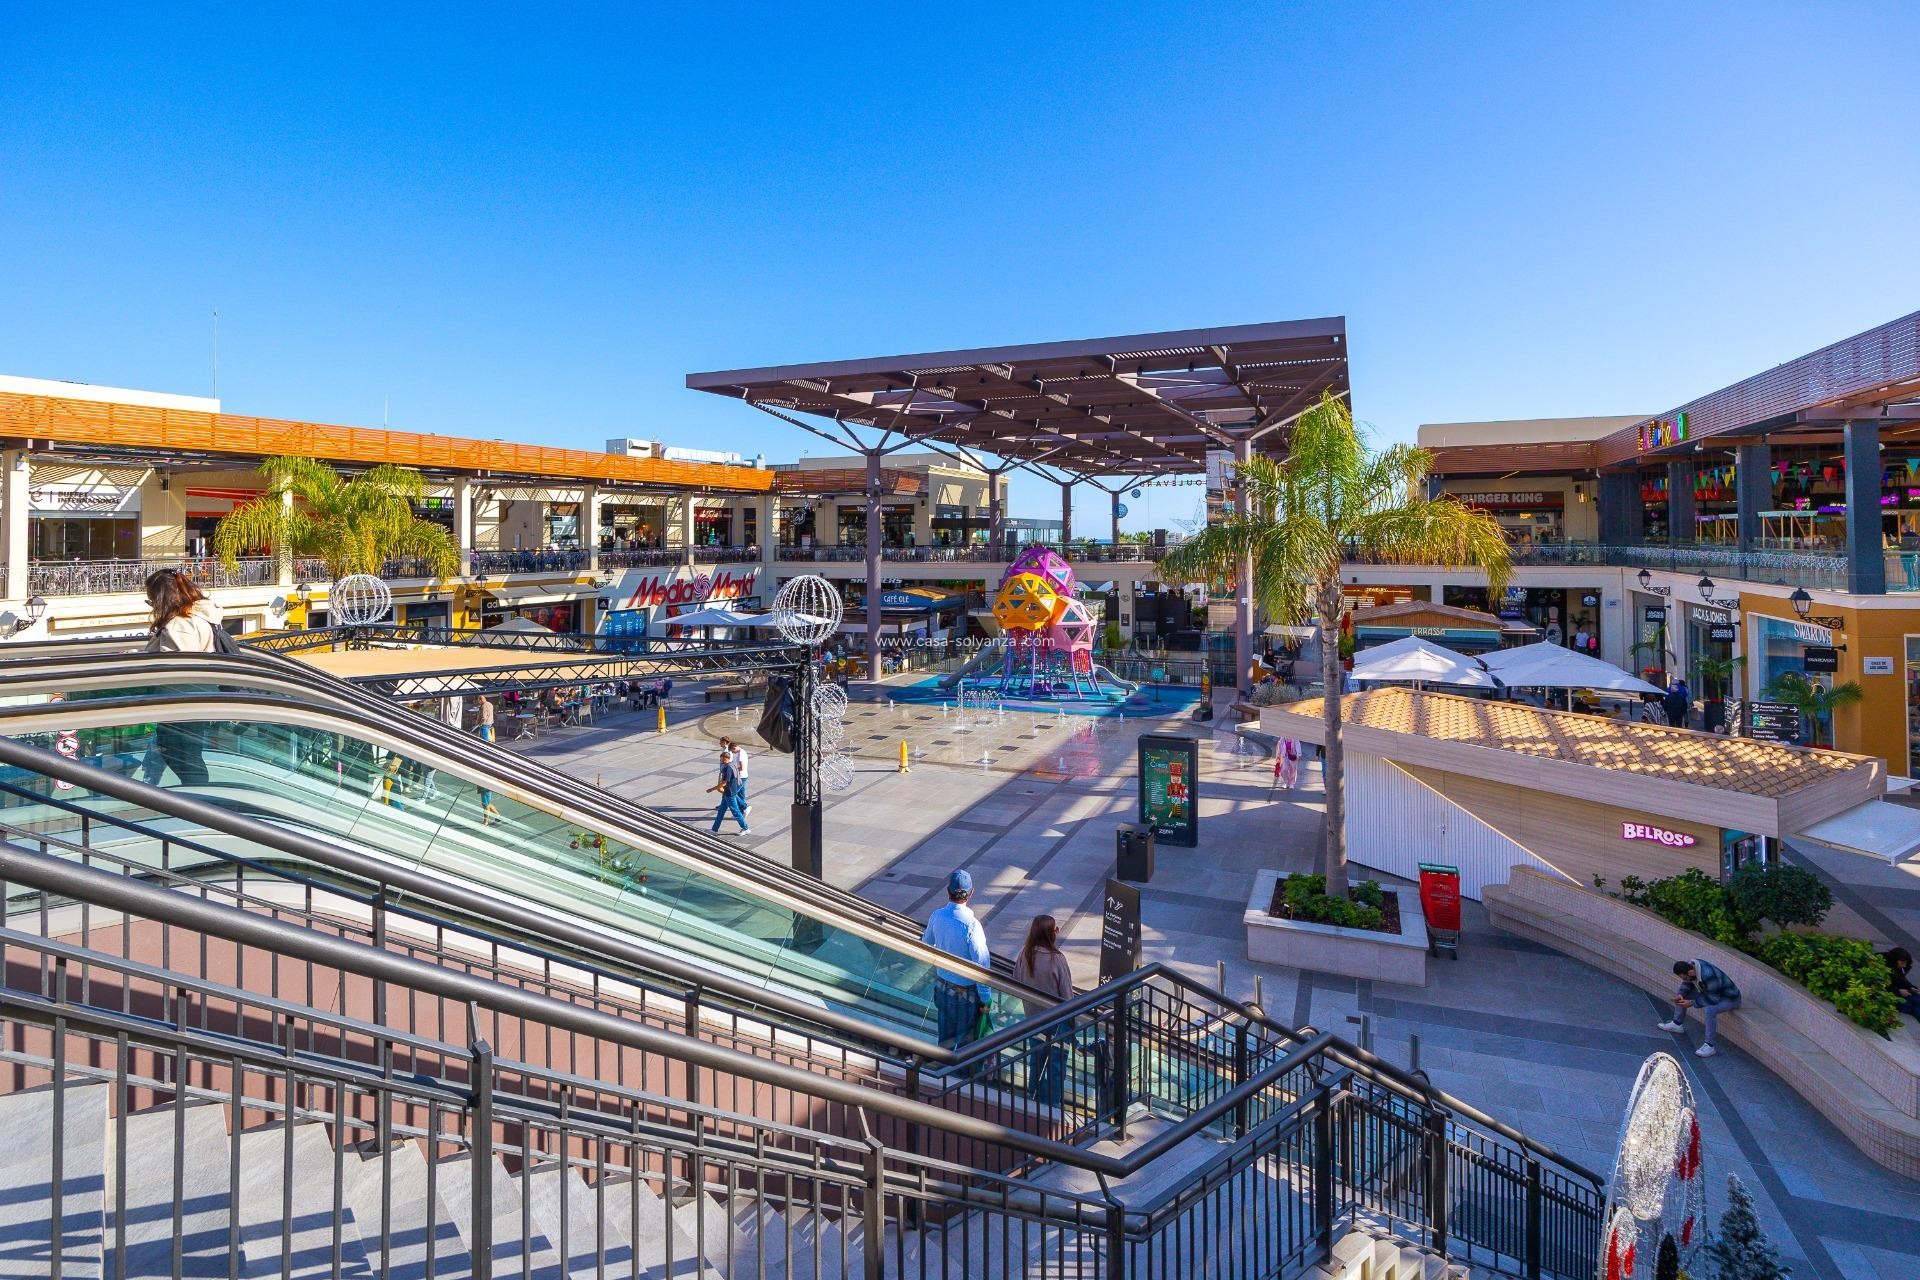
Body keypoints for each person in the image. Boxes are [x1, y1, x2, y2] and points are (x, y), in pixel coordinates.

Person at [144, 568, 223, 786]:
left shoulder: (181, 625)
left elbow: (178, 669)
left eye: (151, 600)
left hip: (182, 705)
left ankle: (199, 804)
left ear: (161, 599)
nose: (151, 606)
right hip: (196, 701)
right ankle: (197, 801)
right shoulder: (199, 618)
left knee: (183, 758)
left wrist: (141, 663)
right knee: (186, 757)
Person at [921, 869, 993, 1048]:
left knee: (945, 1038)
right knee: (964, 1044)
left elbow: (926, 943)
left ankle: (942, 1072)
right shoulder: (972, 926)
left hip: (942, 985)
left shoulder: (937, 915)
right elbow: (982, 965)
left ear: (948, 891)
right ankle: (960, 1075)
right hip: (965, 992)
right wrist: (985, 999)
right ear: (971, 893)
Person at [1014, 914, 1073, 1107]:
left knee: (1036, 1062)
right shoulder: (1057, 959)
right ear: (1051, 934)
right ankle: (1053, 1106)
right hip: (1056, 1024)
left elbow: (1015, 981)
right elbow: (1067, 998)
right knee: (1055, 1067)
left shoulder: (1025, 953)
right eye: (1055, 929)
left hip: (1033, 1020)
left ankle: (1034, 1102)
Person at [1659, 958, 1741, 1057]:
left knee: (1710, 1010)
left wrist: (1692, 1003)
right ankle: (1677, 1024)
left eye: (1685, 977)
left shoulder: (1708, 975)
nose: (1685, 980)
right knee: (1684, 994)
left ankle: (1709, 1046)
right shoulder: (1690, 966)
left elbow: (1713, 999)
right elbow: (1687, 983)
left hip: (1729, 998)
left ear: (1690, 972)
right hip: (1710, 992)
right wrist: (1681, 994)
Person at [473, 697, 502, 826]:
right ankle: (497, 815)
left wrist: (479, 723)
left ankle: (486, 821)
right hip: (485, 782)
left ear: (480, 699)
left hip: (485, 782)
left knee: (485, 802)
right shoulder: (490, 703)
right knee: (486, 802)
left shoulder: (484, 706)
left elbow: (484, 716)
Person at [708, 748, 750, 835]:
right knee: (721, 811)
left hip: (729, 793)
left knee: (735, 812)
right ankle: (714, 829)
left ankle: (746, 828)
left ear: (726, 758)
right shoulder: (733, 765)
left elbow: (724, 782)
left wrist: (712, 789)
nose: (721, 760)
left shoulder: (727, 768)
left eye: (722, 759)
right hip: (729, 792)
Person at [1887, 948, 1920, 1021]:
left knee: (1917, 999)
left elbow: (1901, 979)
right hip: (1890, 994)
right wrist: (1898, 991)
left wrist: (1911, 987)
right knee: (1908, 1005)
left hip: (1898, 990)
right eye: (1902, 963)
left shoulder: (1898, 967)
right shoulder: (1886, 965)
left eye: (1905, 963)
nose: (1904, 966)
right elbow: (1884, 985)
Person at [722, 736, 751, 815]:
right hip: (741, 776)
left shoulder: (741, 754)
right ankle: (743, 812)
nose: (733, 753)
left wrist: (732, 770)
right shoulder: (738, 752)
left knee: (733, 793)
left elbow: (742, 767)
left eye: (732, 751)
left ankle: (745, 807)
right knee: (741, 794)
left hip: (741, 777)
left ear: (735, 747)